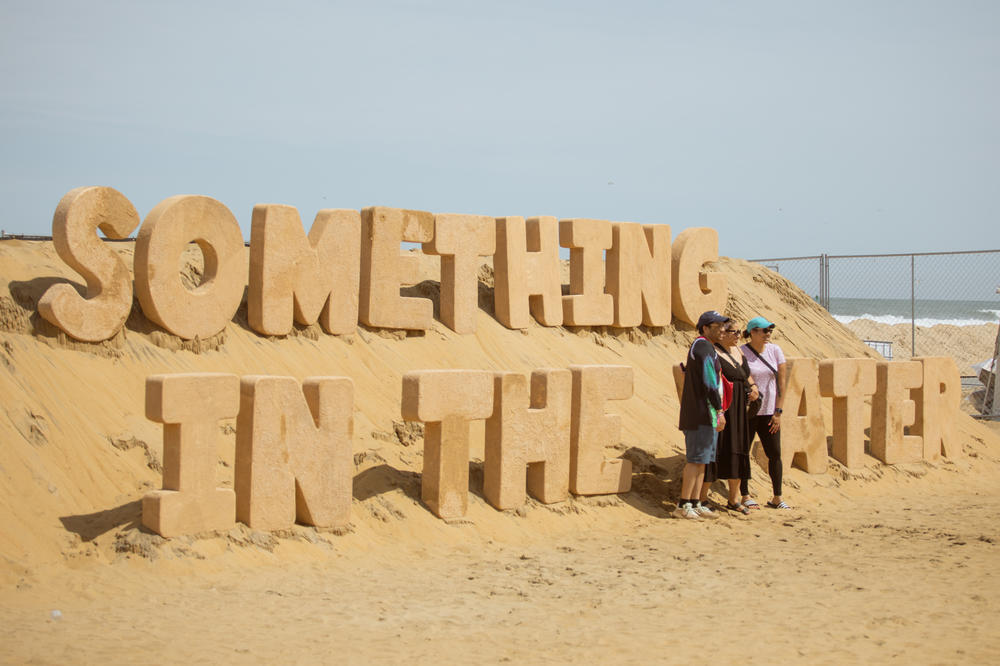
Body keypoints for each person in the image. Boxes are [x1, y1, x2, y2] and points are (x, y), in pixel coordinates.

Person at [699, 321, 759, 514]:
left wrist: (754, 388)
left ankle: (733, 499)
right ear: (723, 333)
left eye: (740, 332)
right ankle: (702, 497)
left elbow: (746, 375)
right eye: (734, 332)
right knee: (716, 451)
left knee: (738, 449)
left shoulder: (738, 352)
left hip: (740, 408)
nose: (738, 336)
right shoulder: (714, 352)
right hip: (724, 407)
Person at [675, 310, 729, 520]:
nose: (723, 330)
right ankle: (682, 504)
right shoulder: (703, 346)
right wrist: (719, 409)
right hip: (700, 414)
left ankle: (695, 502)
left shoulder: (709, 347)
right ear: (705, 328)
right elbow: (709, 382)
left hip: (707, 415)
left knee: (703, 460)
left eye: (724, 326)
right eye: (718, 326)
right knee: (695, 459)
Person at [740, 316, 791, 510]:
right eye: (764, 330)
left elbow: (782, 383)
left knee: (775, 453)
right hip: (749, 412)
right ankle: (745, 494)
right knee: (744, 452)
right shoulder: (742, 352)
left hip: (769, 411)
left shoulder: (775, 350)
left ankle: (777, 496)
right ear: (752, 332)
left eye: (770, 330)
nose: (768, 334)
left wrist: (778, 411)